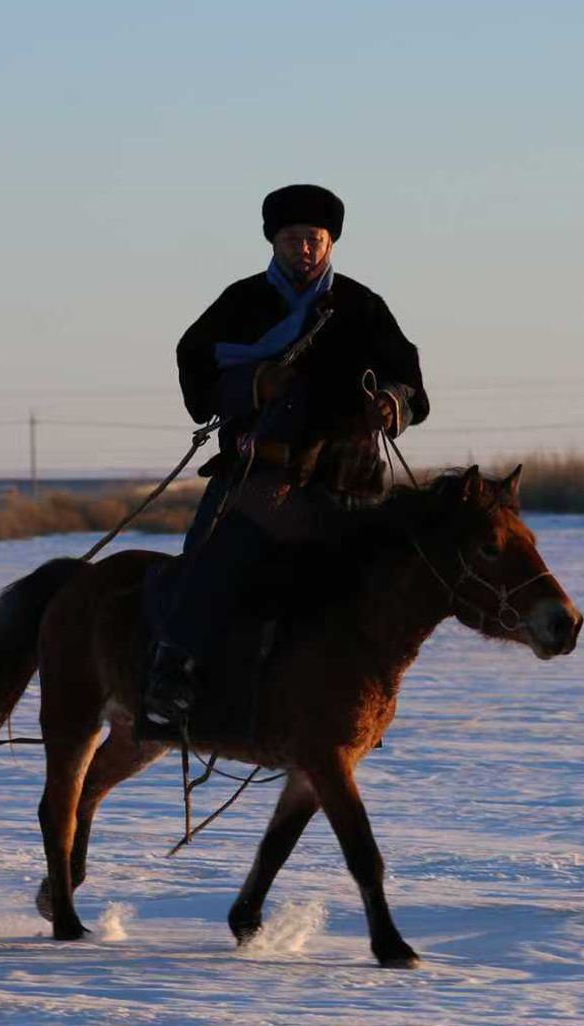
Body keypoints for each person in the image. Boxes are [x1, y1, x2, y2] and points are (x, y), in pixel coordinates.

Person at [143, 184, 429, 731]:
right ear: (273, 242)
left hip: (346, 477)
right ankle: (172, 677)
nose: (303, 249)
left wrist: (391, 406)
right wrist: (252, 384)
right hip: (259, 471)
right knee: (215, 555)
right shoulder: (240, 303)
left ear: (330, 244)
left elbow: (409, 378)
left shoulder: (362, 307)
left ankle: (356, 695)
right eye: (292, 239)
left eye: (313, 240)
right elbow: (196, 367)